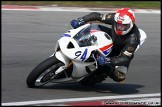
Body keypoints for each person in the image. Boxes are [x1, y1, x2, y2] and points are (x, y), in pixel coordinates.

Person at [70, 8, 145, 83]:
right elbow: (96, 16)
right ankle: (75, 43)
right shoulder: (115, 18)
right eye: (117, 24)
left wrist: (107, 60)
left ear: (131, 24)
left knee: (119, 76)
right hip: (110, 37)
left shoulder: (133, 40)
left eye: (123, 26)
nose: (119, 27)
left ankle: (103, 72)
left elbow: (124, 58)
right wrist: (80, 20)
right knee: (93, 27)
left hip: (119, 52)